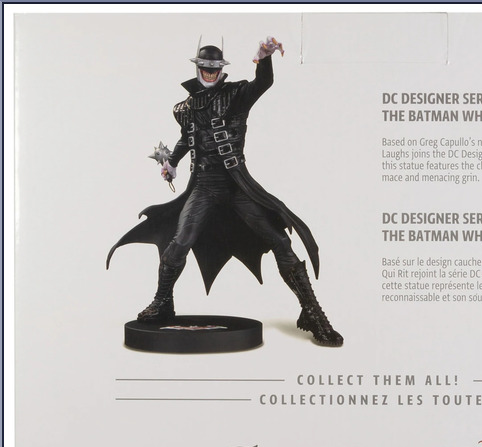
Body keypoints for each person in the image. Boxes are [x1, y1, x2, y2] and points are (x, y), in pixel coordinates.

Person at [107, 37, 343, 347]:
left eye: (214, 68)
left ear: (220, 69)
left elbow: (263, 83)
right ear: (198, 68)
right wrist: (173, 163)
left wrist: (263, 58)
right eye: (205, 67)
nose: (209, 72)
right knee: (179, 242)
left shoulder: (236, 95)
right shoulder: (185, 108)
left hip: (237, 185)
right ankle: (163, 302)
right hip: (203, 185)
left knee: (280, 241)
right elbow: (187, 138)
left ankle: (312, 313)